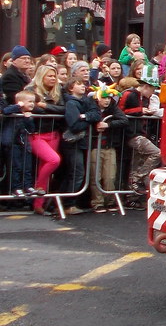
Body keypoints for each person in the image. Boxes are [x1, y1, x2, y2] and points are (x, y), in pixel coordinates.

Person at [118, 68, 161, 199]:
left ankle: (132, 197)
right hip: (131, 134)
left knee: (136, 163)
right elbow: (119, 111)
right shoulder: (129, 94)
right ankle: (137, 177)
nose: (154, 92)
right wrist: (140, 110)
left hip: (140, 132)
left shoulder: (144, 98)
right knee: (157, 153)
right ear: (147, 86)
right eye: (153, 89)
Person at [60, 77, 100, 214]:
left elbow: (97, 114)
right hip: (73, 143)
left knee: (77, 172)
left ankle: (69, 202)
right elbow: (74, 125)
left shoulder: (87, 100)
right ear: (71, 88)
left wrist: (85, 116)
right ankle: (68, 203)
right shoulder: (71, 103)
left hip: (82, 142)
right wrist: (88, 121)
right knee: (77, 172)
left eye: (83, 84)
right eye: (79, 84)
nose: (83, 86)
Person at [27, 64, 64, 214]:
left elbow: (64, 109)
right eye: (50, 75)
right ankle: (38, 191)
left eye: (54, 76)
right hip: (37, 134)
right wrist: (45, 107)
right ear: (41, 76)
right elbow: (34, 108)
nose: (53, 79)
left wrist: (45, 106)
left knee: (46, 169)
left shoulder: (57, 92)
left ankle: (38, 204)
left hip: (53, 134)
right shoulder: (31, 90)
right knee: (53, 160)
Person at [91, 85, 127, 213]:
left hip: (109, 145)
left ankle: (110, 200)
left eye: (109, 98)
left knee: (110, 176)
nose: (107, 101)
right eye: (104, 98)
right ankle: (98, 202)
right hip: (95, 146)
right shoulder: (92, 107)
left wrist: (108, 124)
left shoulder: (113, 108)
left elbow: (124, 120)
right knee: (96, 175)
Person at [2, 90, 41, 205]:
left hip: (25, 143)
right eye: (29, 101)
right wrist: (18, 106)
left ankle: (28, 186)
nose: (32, 104)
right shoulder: (13, 110)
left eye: (33, 102)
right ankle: (16, 188)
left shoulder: (28, 115)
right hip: (12, 143)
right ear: (20, 102)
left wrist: (28, 119)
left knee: (27, 166)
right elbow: (5, 111)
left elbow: (31, 129)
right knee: (16, 166)